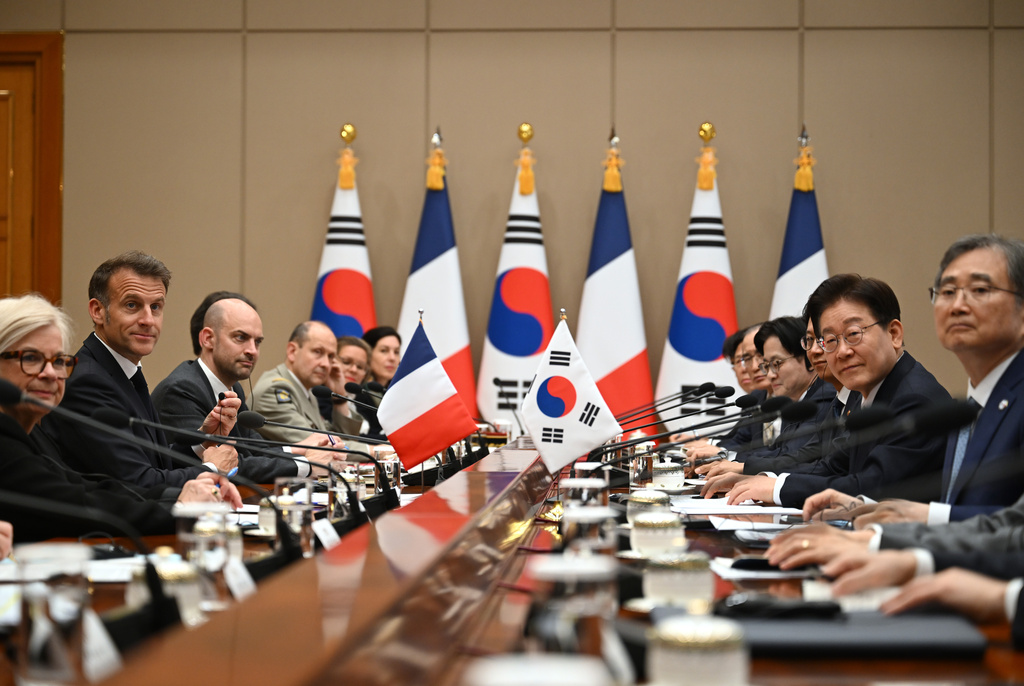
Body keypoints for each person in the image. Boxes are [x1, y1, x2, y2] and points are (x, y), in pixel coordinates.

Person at [0, 294, 240, 543]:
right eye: (31, 358)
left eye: (58, 360)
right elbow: (70, 503)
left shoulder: (31, 431)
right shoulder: (7, 438)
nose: (50, 373)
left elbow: (86, 485)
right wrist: (179, 509)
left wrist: (178, 495)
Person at [704, 274, 950, 508]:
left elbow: (872, 488)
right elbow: (833, 467)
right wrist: (762, 479)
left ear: (894, 334)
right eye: (830, 340)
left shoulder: (914, 399)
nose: (842, 352)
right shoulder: (863, 393)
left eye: (853, 334)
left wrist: (777, 488)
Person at [39, 251, 239, 488]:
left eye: (155, 307)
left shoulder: (121, 369)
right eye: (132, 305)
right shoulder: (87, 381)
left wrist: (203, 441)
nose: (148, 320)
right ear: (98, 311)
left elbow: (154, 462)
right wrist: (212, 470)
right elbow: (137, 483)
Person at [153, 295, 338, 481]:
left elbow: (253, 448)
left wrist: (303, 448)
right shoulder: (181, 390)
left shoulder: (234, 388)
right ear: (208, 339)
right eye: (241, 337)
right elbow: (224, 463)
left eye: (257, 342)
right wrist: (307, 465)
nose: (253, 351)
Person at [693, 316, 836, 475]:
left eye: (776, 364)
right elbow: (775, 450)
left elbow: (793, 455)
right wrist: (725, 457)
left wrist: (734, 462)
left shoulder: (824, 397)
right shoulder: (794, 400)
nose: (770, 375)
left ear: (807, 358)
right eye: (767, 366)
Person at [250, 321, 348, 444]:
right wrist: (371, 449)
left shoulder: (307, 391)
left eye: (331, 356)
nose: (326, 364)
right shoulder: (273, 391)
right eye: (318, 352)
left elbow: (334, 436)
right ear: (292, 351)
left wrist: (340, 398)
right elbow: (319, 443)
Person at [321, 335, 371, 436]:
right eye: (346, 362)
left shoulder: (366, 400)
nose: (353, 370)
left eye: (360, 367)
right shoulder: (320, 396)